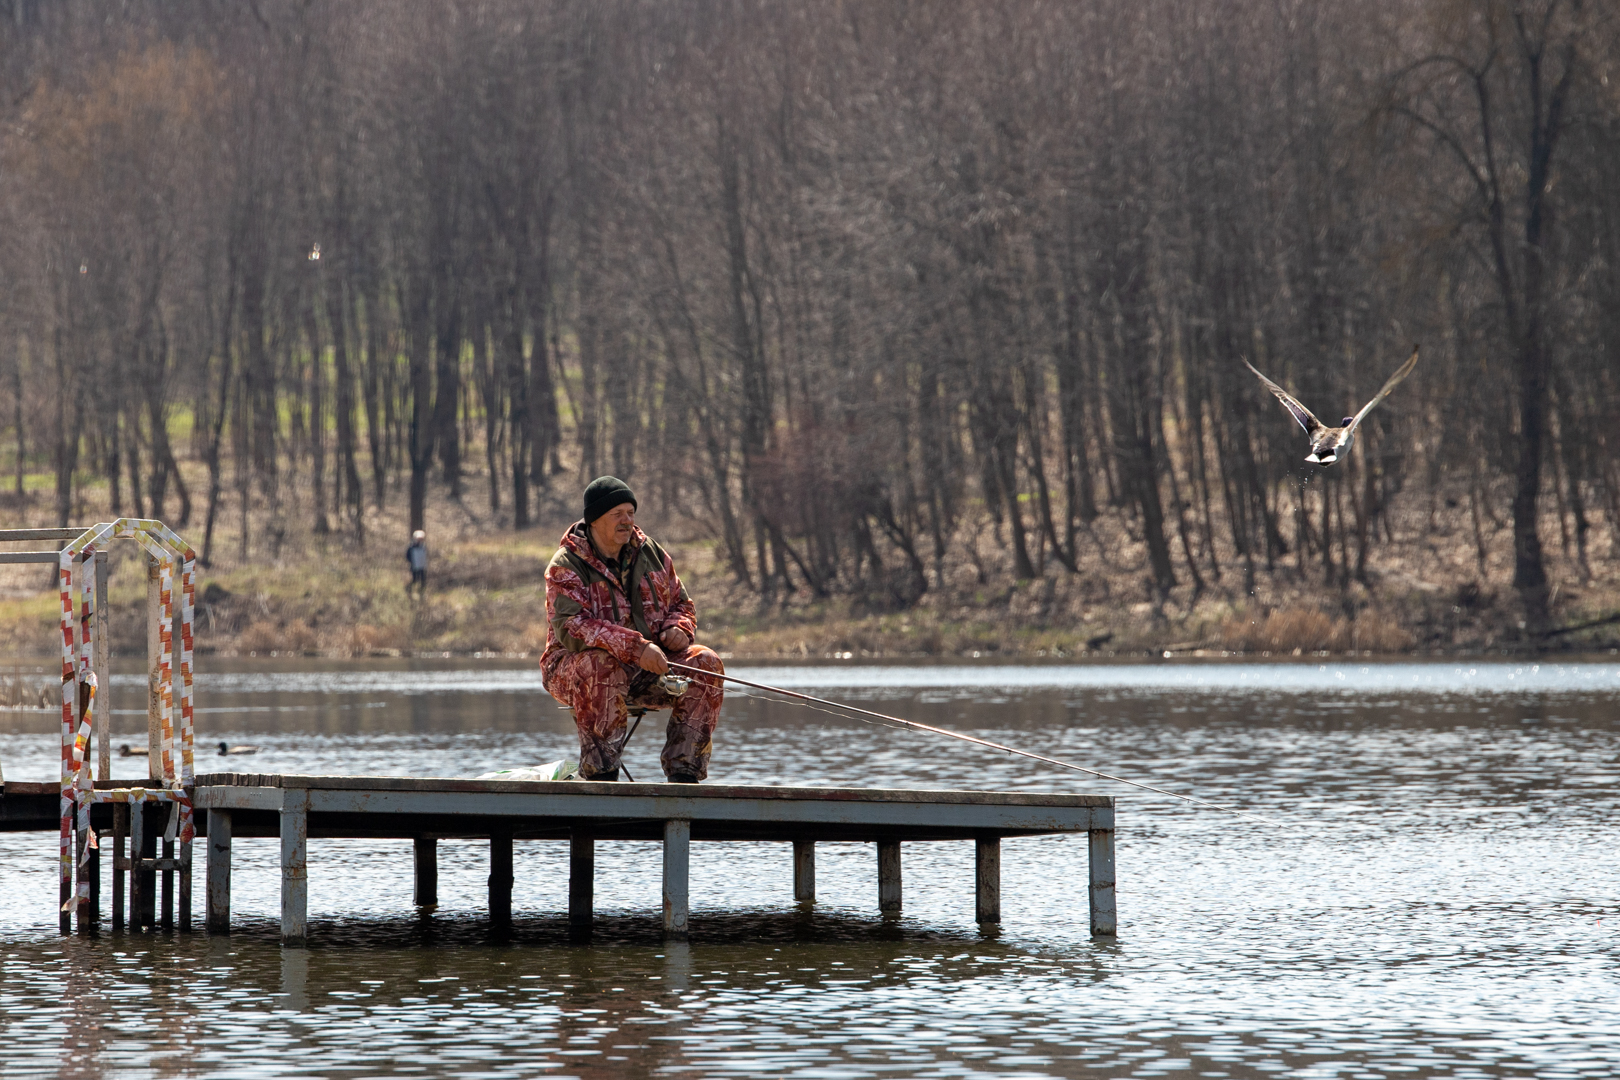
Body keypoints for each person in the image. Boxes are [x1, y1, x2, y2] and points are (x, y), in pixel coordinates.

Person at [541, 476, 724, 782]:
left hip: (648, 669)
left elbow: (683, 604)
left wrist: (678, 628)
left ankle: (685, 778)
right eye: (618, 515)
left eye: (630, 513)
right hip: (574, 670)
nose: (627, 521)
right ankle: (602, 778)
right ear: (595, 521)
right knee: (602, 665)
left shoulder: (651, 552)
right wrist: (636, 648)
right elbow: (572, 628)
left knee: (706, 662)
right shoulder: (566, 563)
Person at [405, 530, 428, 597]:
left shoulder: (423, 547)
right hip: (414, 566)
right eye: (419, 539)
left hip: (422, 566)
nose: (420, 540)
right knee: (415, 579)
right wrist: (412, 562)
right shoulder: (411, 547)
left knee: (423, 579)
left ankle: (421, 592)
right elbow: (407, 556)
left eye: (421, 539)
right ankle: (409, 590)